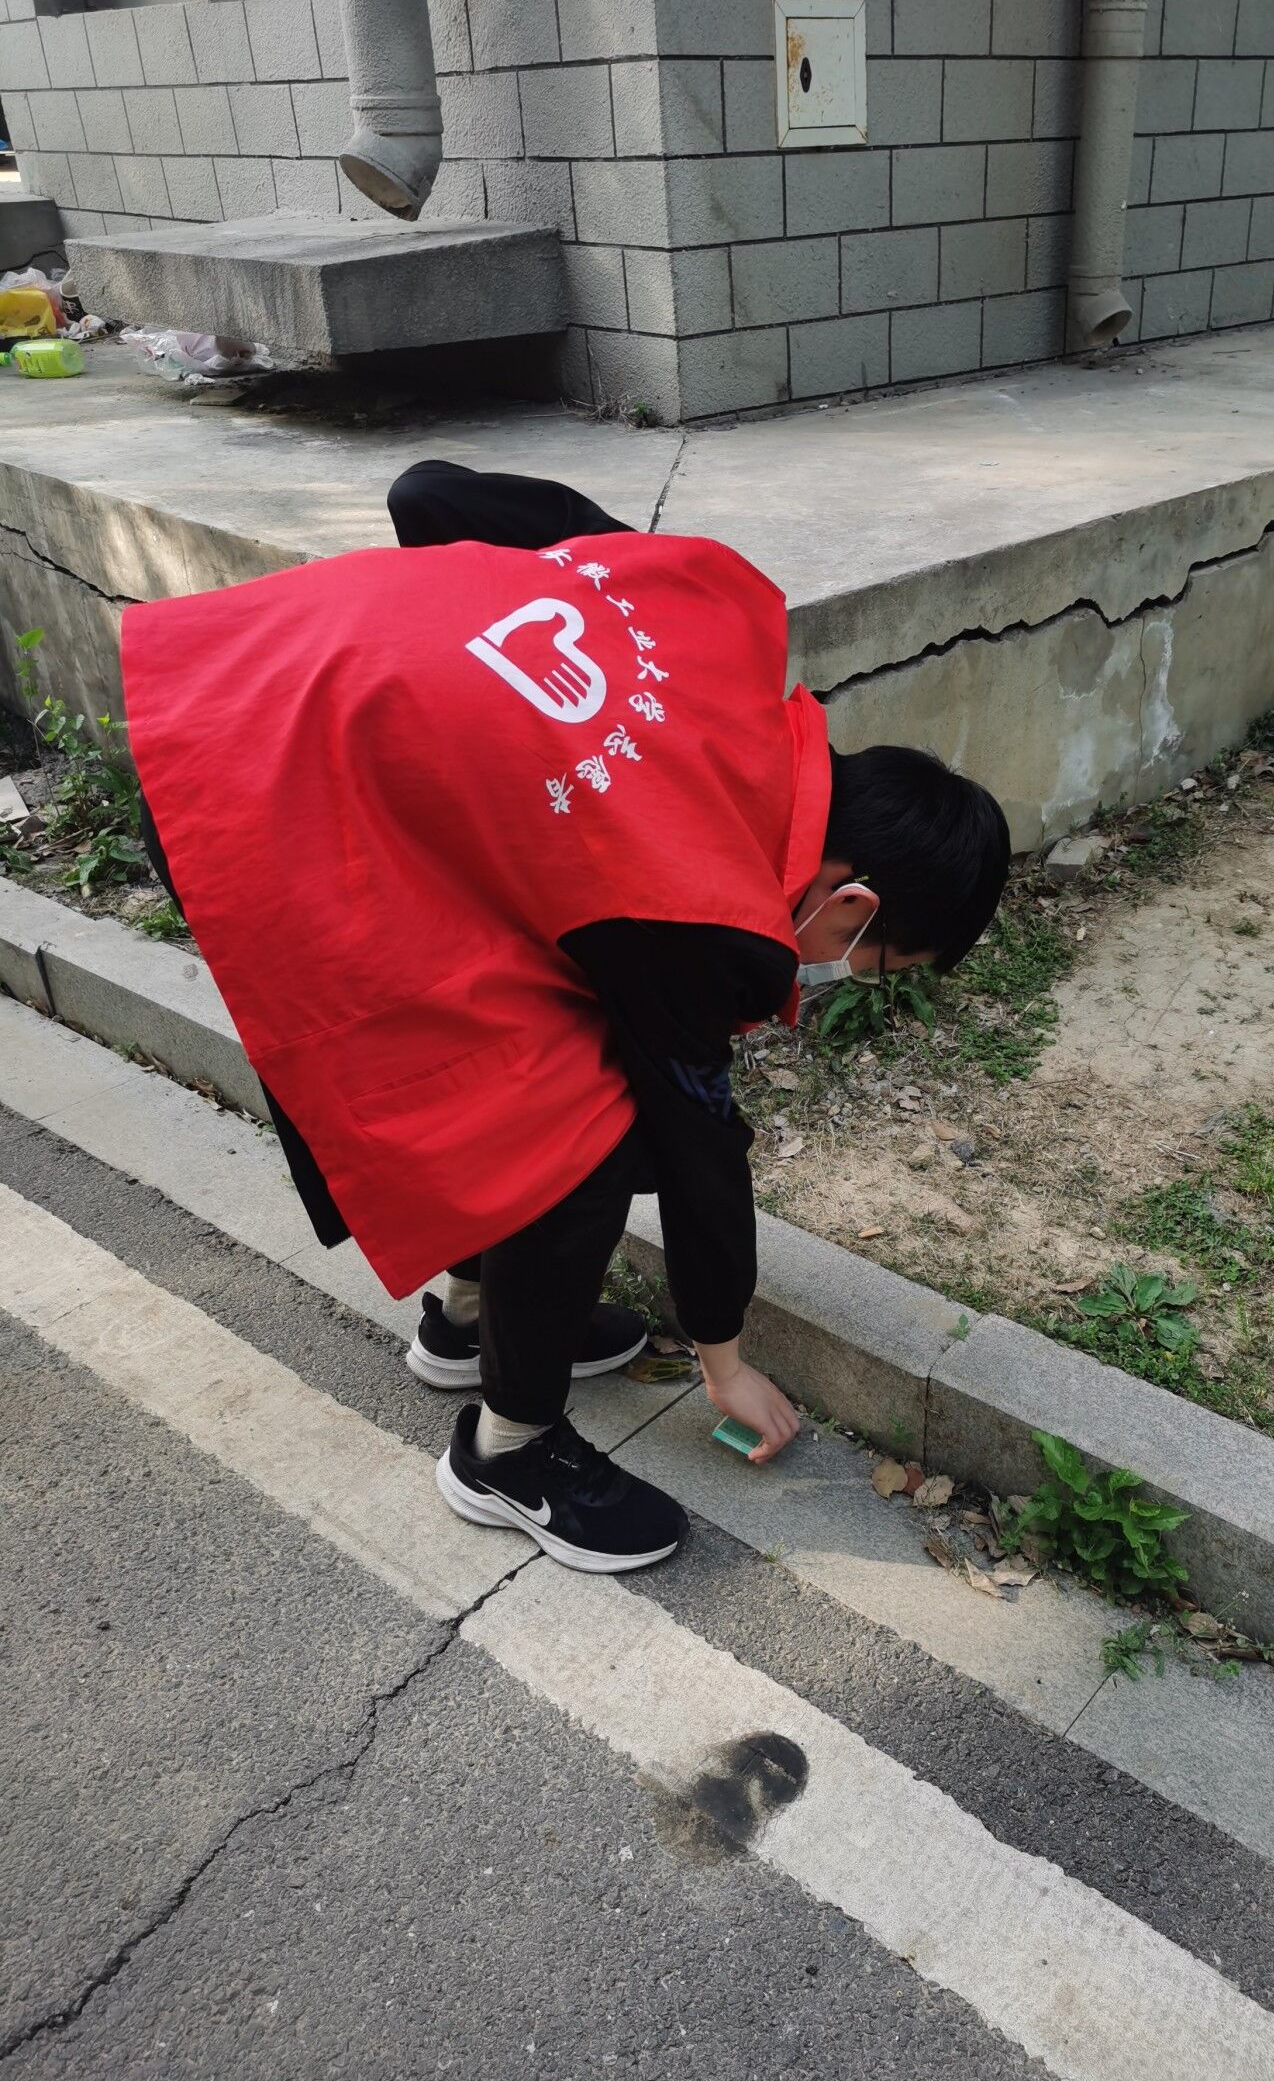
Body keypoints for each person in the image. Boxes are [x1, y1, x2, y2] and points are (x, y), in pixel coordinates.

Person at [126, 461, 1010, 1576]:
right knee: (584, 1132)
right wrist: (724, 1361)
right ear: (853, 903)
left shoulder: (714, 609)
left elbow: (429, 496)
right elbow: (696, 1139)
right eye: (875, 965)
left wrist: (452, 678)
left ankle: (471, 1312)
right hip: (256, 809)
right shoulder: (707, 900)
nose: (844, 976)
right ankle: (509, 1451)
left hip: (229, 684)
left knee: (536, 1050)